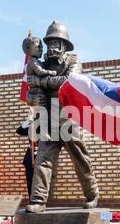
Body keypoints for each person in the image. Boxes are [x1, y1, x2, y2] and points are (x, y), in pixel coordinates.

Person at [25, 21, 99, 213]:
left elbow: (68, 81)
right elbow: (31, 93)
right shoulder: (40, 64)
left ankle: (92, 194)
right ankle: (38, 200)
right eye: (50, 42)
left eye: (57, 42)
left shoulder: (73, 61)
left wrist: (41, 81)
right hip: (47, 116)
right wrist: (33, 94)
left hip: (68, 116)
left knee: (79, 158)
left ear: (65, 45)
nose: (52, 47)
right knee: (43, 160)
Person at [22, 32, 57, 107]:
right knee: (42, 112)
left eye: (42, 47)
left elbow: (42, 66)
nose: (41, 49)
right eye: (38, 47)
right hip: (36, 92)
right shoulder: (32, 61)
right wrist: (51, 72)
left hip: (40, 90)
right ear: (28, 49)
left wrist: (47, 60)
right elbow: (40, 71)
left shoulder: (36, 61)